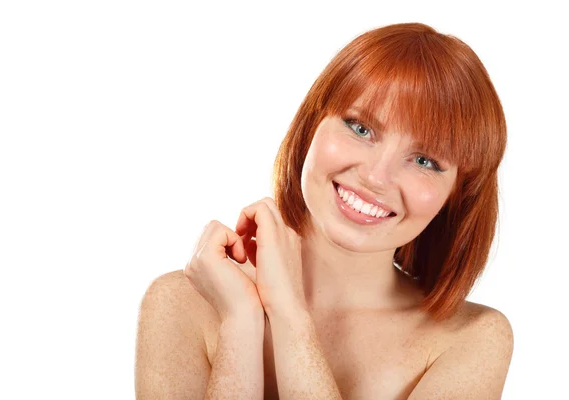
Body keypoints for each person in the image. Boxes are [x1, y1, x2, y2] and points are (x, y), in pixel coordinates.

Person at [135, 22, 514, 399]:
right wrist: (240, 324)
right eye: (360, 128)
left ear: (457, 195)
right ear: (312, 124)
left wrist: (290, 316)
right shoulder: (178, 305)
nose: (376, 177)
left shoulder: (471, 338)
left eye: (425, 160)